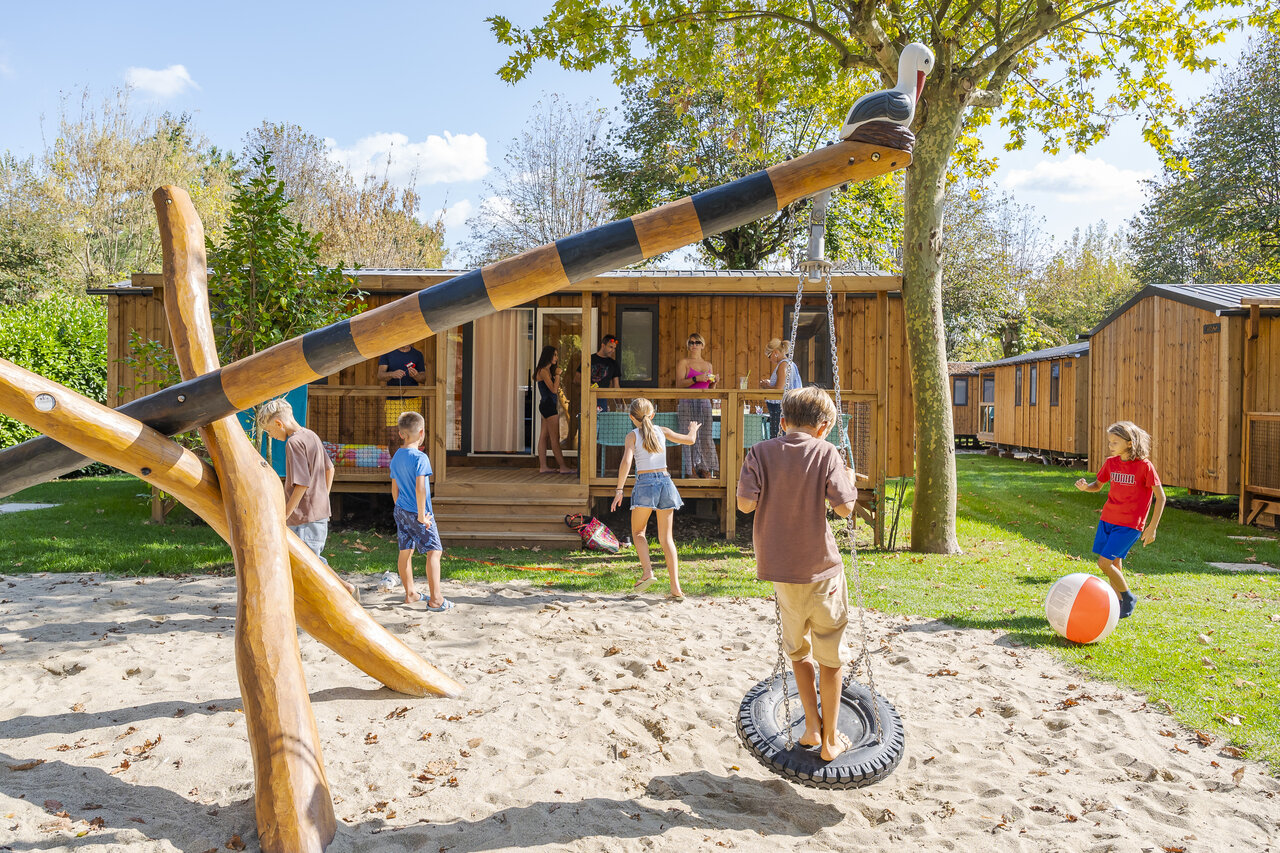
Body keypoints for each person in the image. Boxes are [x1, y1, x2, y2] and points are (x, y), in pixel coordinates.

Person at [736, 387, 859, 762]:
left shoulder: (760, 452)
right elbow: (844, 509)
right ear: (823, 427)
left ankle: (809, 726)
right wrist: (848, 479)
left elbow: (745, 504)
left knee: (799, 651)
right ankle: (830, 740)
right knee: (831, 655)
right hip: (822, 571)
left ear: (783, 422)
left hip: (782, 572)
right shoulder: (827, 453)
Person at [256, 397, 360, 600]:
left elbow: (301, 483)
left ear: (279, 423)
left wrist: (285, 514)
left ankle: (344, 589)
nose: (272, 436)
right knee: (310, 559)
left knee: (310, 562)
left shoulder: (293, 443)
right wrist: (322, 497)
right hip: (317, 512)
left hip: (302, 518)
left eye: (269, 431)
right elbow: (330, 469)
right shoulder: (310, 435)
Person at [610, 398, 701, 600]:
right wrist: (693, 429)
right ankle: (675, 587)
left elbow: (626, 462)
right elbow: (690, 440)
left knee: (638, 532)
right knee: (666, 538)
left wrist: (619, 489)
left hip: (645, 483)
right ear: (653, 415)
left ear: (631, 418)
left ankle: (648, 572)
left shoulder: (632, 436)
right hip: (666, 482)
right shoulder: (663, 431)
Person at [1074, 420, 1165, 619]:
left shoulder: (1144, 466)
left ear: (1130, 443)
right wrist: (1085, 487)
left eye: (1115, 442)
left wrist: (1152, 527)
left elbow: (1161, 497)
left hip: (1130, 525)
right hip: (1108, 519)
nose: (1110, 446)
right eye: (1110, 442)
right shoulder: (1110, 463)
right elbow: (1097, 485)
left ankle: (1128, 597)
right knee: (1114, 563)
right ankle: (1117, 603)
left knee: (1103, 563)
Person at [390, 410, 453, 611]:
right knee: (435, 552)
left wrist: (399, 507)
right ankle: (436, 600)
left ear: (401, 434)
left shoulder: (396, 457)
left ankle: (410, 593)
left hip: (400, 509)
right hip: (419, 513)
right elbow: (420, 488)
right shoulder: (421, 457)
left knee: (405, 551)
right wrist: (420, 515)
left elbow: (394, 488)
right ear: (422, 432)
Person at [673, 331, 719, 478]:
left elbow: (710, 389)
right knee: (688, 436)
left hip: (704, 403)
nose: (694, 345)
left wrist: (715, 383)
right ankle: (690, 470)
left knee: (706, 436)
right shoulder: (684, 363)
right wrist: (696, 379)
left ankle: (704, 468)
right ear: (688, 345)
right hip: (687, 402)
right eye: (691, 342)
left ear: (702, 345)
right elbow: (679, 384)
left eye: (697, 342)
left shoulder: (708, 364)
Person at [534, 345, 574, 474]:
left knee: (544, 436)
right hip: (548, 407)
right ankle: (563, 467)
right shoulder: (544, 371)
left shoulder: (544, 370)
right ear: (549, 356)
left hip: (546, 405)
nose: (557, 357)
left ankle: (543, 466)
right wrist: (557, 375)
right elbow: (553, 390)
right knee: (554, 438)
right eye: (555, 355)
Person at [760, 337, 804, 438]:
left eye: (769, 356)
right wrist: (770, 384)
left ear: (775, 352)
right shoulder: (791, 364)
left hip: (780, 408)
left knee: (777, 437)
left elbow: (779, 389)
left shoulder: (782, 365)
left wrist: (766, 386)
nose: (769, 359)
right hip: (791, 406)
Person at [579, 334, 622, 412]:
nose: (613, 350)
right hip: (587, 397)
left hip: (602, 399)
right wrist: (589, 385)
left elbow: (616, 385)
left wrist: (619, 404)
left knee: (601, 423)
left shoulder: (614, 364)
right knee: (586, 423)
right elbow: (576, 379)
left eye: (614, 348)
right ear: (603, 345)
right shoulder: (589, 359)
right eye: (610, 347)